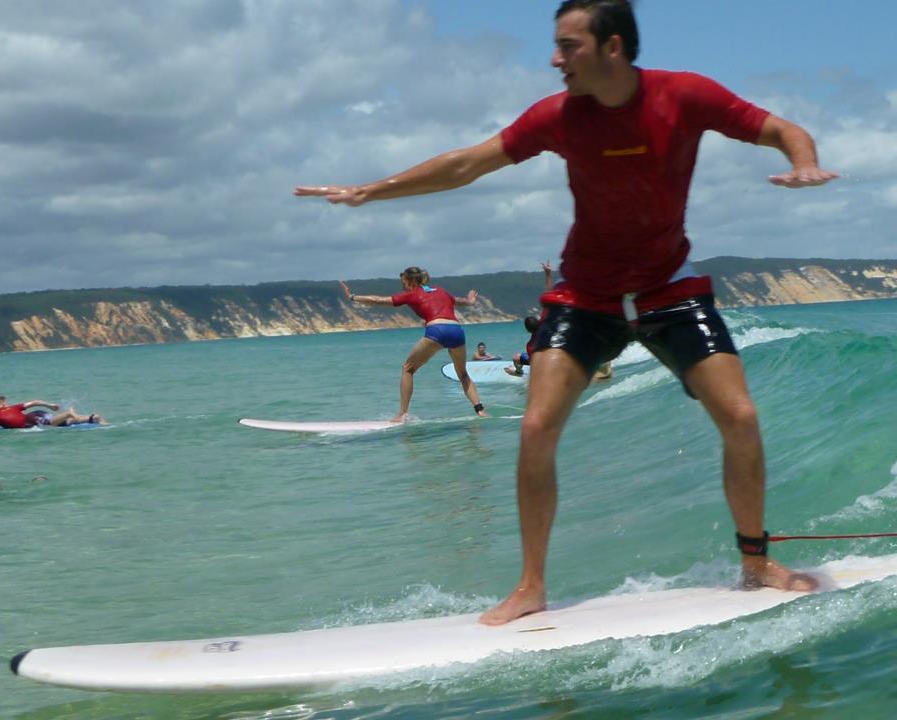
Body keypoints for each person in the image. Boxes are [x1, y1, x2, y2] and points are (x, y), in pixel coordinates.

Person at [296, 0, 838, 625]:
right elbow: (468, 162)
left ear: (613, 47)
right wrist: (372, 190)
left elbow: (780, 128)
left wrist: (803, 163)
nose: (555, 59)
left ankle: (756, 563)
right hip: (586, 297)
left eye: (568, 46)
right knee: (536, 427)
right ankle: (531, 586)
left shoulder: (684, 95)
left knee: (740, 416)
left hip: (669, 289)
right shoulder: (559, 115)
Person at [341, 267, 487, 421]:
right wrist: (471, 301)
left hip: (437, 330)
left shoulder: (411, 293)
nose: (403, 286)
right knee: (463, 374)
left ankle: (402, 414)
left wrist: (353, 297)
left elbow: (378, 300)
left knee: (408, 369)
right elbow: (461, 301)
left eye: (404, 283)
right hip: (456, 330)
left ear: (411, 281)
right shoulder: (440, 290)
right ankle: (480, 410)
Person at [0, 395, 106, 431]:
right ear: (2, 404)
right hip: (36, 414)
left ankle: (68, 413)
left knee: (51, 423)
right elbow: (34, 402)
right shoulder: (13, 408)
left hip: (33, 419)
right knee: (64, 423)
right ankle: (93, 418)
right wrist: (50, 405)